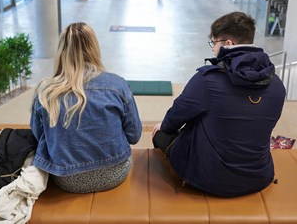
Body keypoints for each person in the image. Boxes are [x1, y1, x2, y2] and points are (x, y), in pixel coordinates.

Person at [152, 11, 286, 197]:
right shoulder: (277, 85)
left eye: (214, 43)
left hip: (210, 180)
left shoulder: (208, 80)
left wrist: (163, 127)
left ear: (228, 44)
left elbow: (176, 116)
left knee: (162, 133)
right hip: (259, 177)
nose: (213, 49)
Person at [30, 22, 142, 193]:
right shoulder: (117, 85)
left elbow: (39, 136)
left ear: (61, 51)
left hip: (66, 178)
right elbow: (134, 136)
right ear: (94, 48)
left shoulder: (46, 91)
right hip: (114, 172)